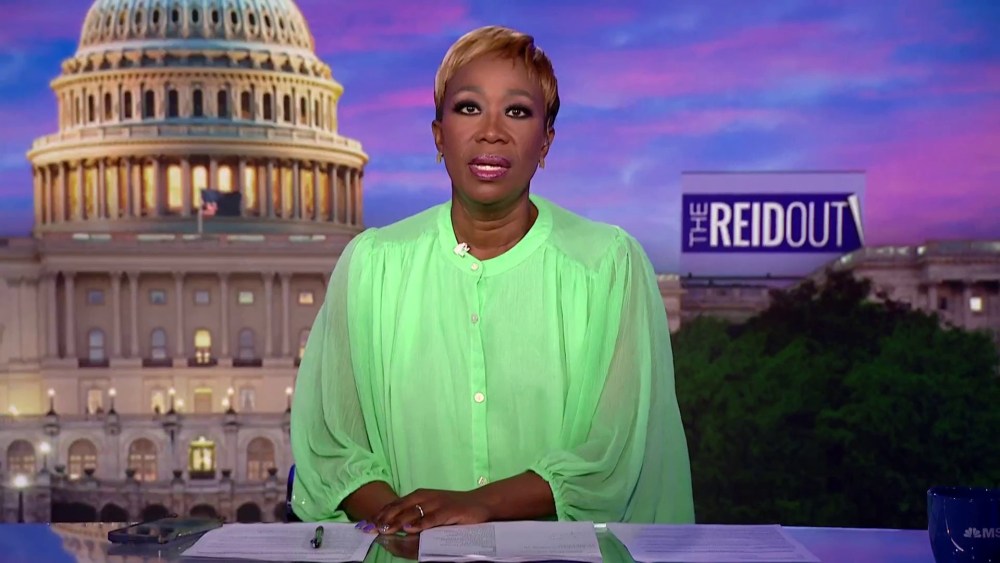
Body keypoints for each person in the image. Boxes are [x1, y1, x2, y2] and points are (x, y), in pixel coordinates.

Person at [290, 25, 694, 534]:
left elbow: (617, 451)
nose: (491, 132)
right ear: (439, 136)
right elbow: (333, 447)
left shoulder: (608, 265)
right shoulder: (371, 265)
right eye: (468, 107)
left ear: (546, 141)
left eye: (517, 112)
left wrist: (479, 505)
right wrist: (409, 526)